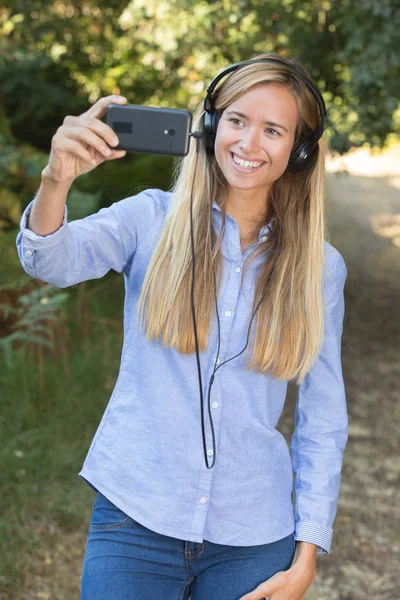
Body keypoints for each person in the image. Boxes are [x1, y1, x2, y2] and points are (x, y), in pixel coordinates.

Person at [16, 53, 348, 600]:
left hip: (254, 538)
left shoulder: (320, 269)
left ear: (300, 150)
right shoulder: (149, 219)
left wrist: (306, 556)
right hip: (134, 520)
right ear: (212, 126)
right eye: (237, 120)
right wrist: (57, 179)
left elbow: (324, 415)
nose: (249, 143)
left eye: (274, 130)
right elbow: (49, 261)